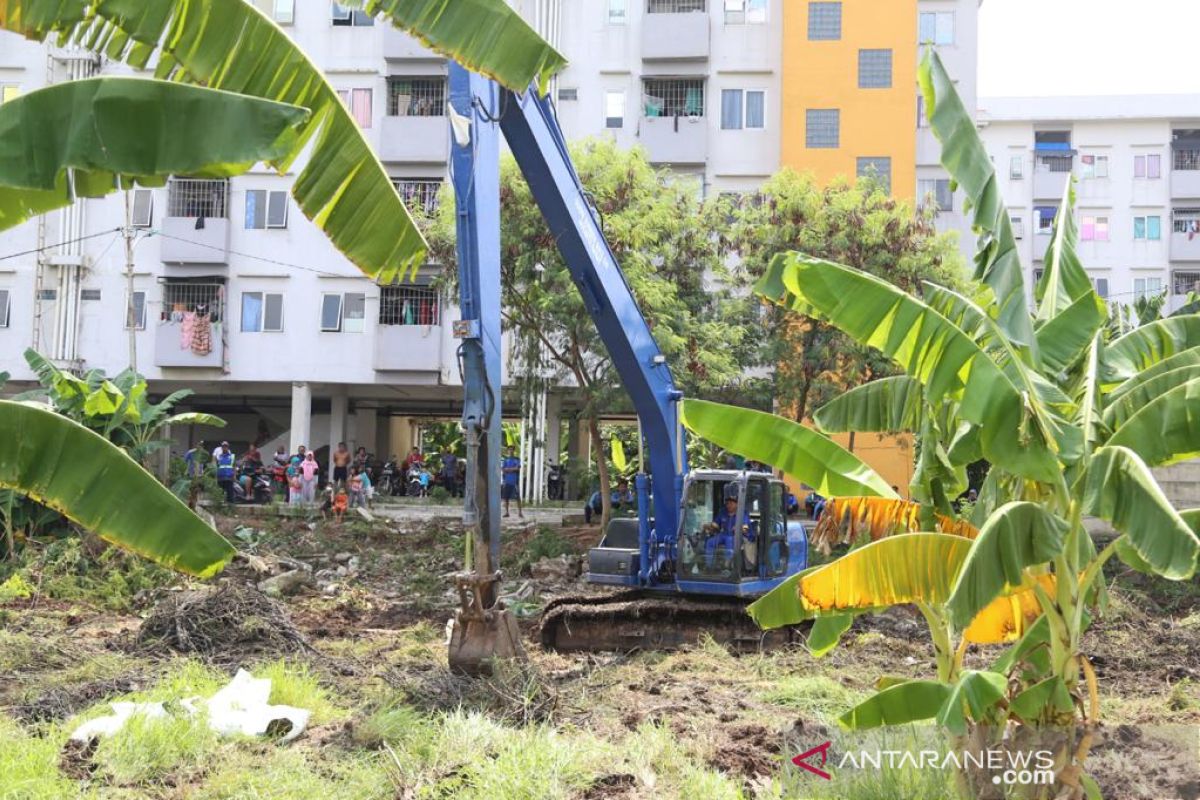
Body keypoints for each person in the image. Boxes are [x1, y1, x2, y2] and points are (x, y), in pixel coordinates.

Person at [704, 485, 757, 572]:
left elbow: (745, 527)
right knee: (710, 542)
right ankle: (709, 566)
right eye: (727, 503)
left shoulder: (742, 513)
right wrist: (710, 526)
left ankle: (728, 566)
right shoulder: (723, 512)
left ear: (736, 504)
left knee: (729, 540)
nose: (728, 505)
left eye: (731, 503)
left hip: (736, 536)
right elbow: (716, 524)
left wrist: (738, 527)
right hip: (723, 534)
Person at [501, 446, 522, 518]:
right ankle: (506, 512)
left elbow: (517, 468)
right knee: (506, 498)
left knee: (517, 497)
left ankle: (520, 512)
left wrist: (508, 469)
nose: (511, 451)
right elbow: (503, 469)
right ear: (507, 451)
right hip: (507, 481)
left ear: (514, 451)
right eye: (509, 450)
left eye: (512, 450)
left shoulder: (517, 459)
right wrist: (512, 469)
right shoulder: (505, 460)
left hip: (515, 481)